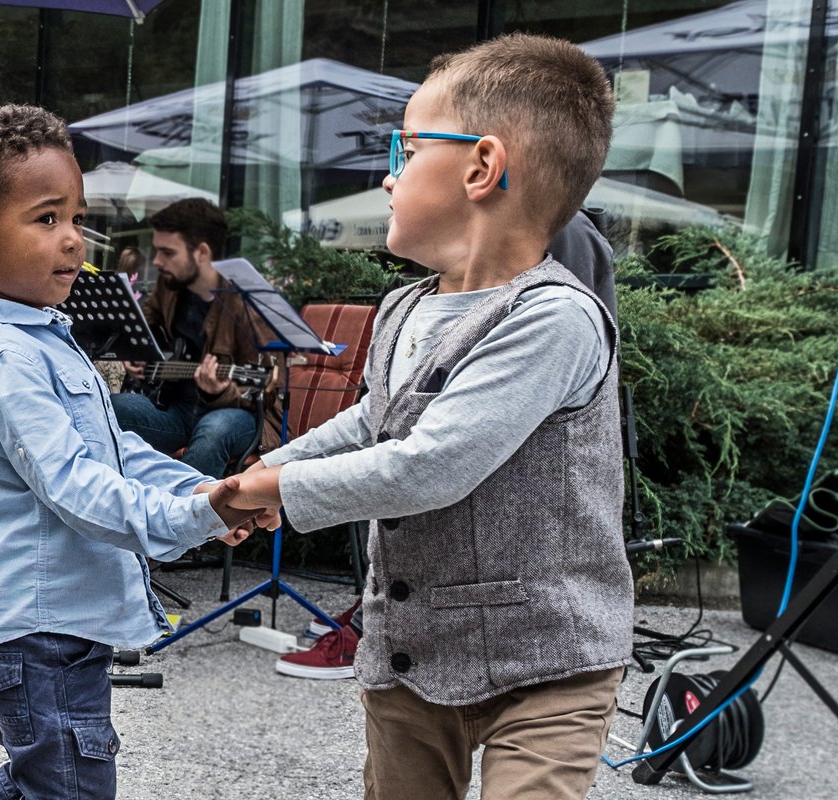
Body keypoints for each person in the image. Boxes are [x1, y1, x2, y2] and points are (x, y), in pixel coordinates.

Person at [225, 35, 635, 799]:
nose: (388, 175)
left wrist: (272, 494)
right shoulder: (404, 305)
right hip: (412, 652)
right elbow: (374, 424)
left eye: (406, 149)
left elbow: (431, 465)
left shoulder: (553, 318)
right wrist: (268, 470)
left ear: (481, 167)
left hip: (546, 664)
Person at [0, 104, 267, 799]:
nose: (75, 241)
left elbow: (115, 450)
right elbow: (75, 486)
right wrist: (197, 519)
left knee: (43, 781)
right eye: (47, 220)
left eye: (76, 218)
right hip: (33, 631)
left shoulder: (41, 339)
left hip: (43, 627)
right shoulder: (8, 358)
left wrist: (199, 494)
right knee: (69, 787)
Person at [107, 198, 263, 479]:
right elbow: (144, 322)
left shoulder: (247, 304)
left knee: (213, 432)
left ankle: (183, 518)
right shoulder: (171, 287)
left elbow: (266, 392)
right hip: (176, 411)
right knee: (113, 408)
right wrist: (137, 352)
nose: (156, 261)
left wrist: (218, 391)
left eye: (167, 252)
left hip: (237, 415)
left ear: (202, 252)